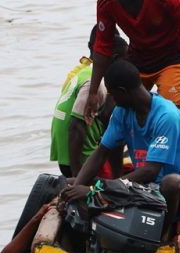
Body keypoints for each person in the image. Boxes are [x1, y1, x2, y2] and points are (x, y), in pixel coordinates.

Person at [64, 59, 180, 240]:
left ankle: (162, 236)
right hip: (142, 186)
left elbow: (151, 171)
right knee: (70, 181)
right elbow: (100, 154)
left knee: (172, 182)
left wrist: (97, 191)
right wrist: (78, 187)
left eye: (112, 95)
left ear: (122, 92)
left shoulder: (167, 116)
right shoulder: (122, 113)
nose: (112, 100)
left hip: (174, 190)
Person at [50, 26, 127, 177]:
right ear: (115, 58)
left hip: (64, 153)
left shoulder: (83, 71)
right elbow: (75, 128)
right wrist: (78, 177)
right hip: (78, 157)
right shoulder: (94, 83)